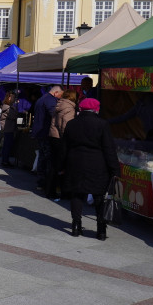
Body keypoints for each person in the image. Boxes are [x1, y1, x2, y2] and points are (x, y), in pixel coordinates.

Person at [60, 98, 118, 240]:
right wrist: (114, 169)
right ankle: (101, 230)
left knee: (77, 194)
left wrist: (61, 166)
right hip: (97, 164)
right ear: (96, 109)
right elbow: (109, 149)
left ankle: (75, 225)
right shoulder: (102, 124)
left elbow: (64, 147)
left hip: (75, 163)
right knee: (99, 196)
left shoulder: (72, 124)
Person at [32, 85, 62, 196]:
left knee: (42, 157)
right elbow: (54, 114)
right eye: (60, 96)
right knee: (47, 158)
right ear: (55, 93)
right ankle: (46, 183)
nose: (60, 99)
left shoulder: (42, 99)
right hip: (45, 132)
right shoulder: (50, 100)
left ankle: (41, 182)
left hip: (40, 132)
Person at [0, 92, 18, 167]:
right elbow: (14, 116)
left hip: (7, 128)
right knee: (7, 145)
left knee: (6, 145)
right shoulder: (8, 108)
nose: (14, 99)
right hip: (8, 128)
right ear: (9, 98)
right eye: (13, 97)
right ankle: (5, 161)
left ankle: (5, 160)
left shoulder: (7, 107)